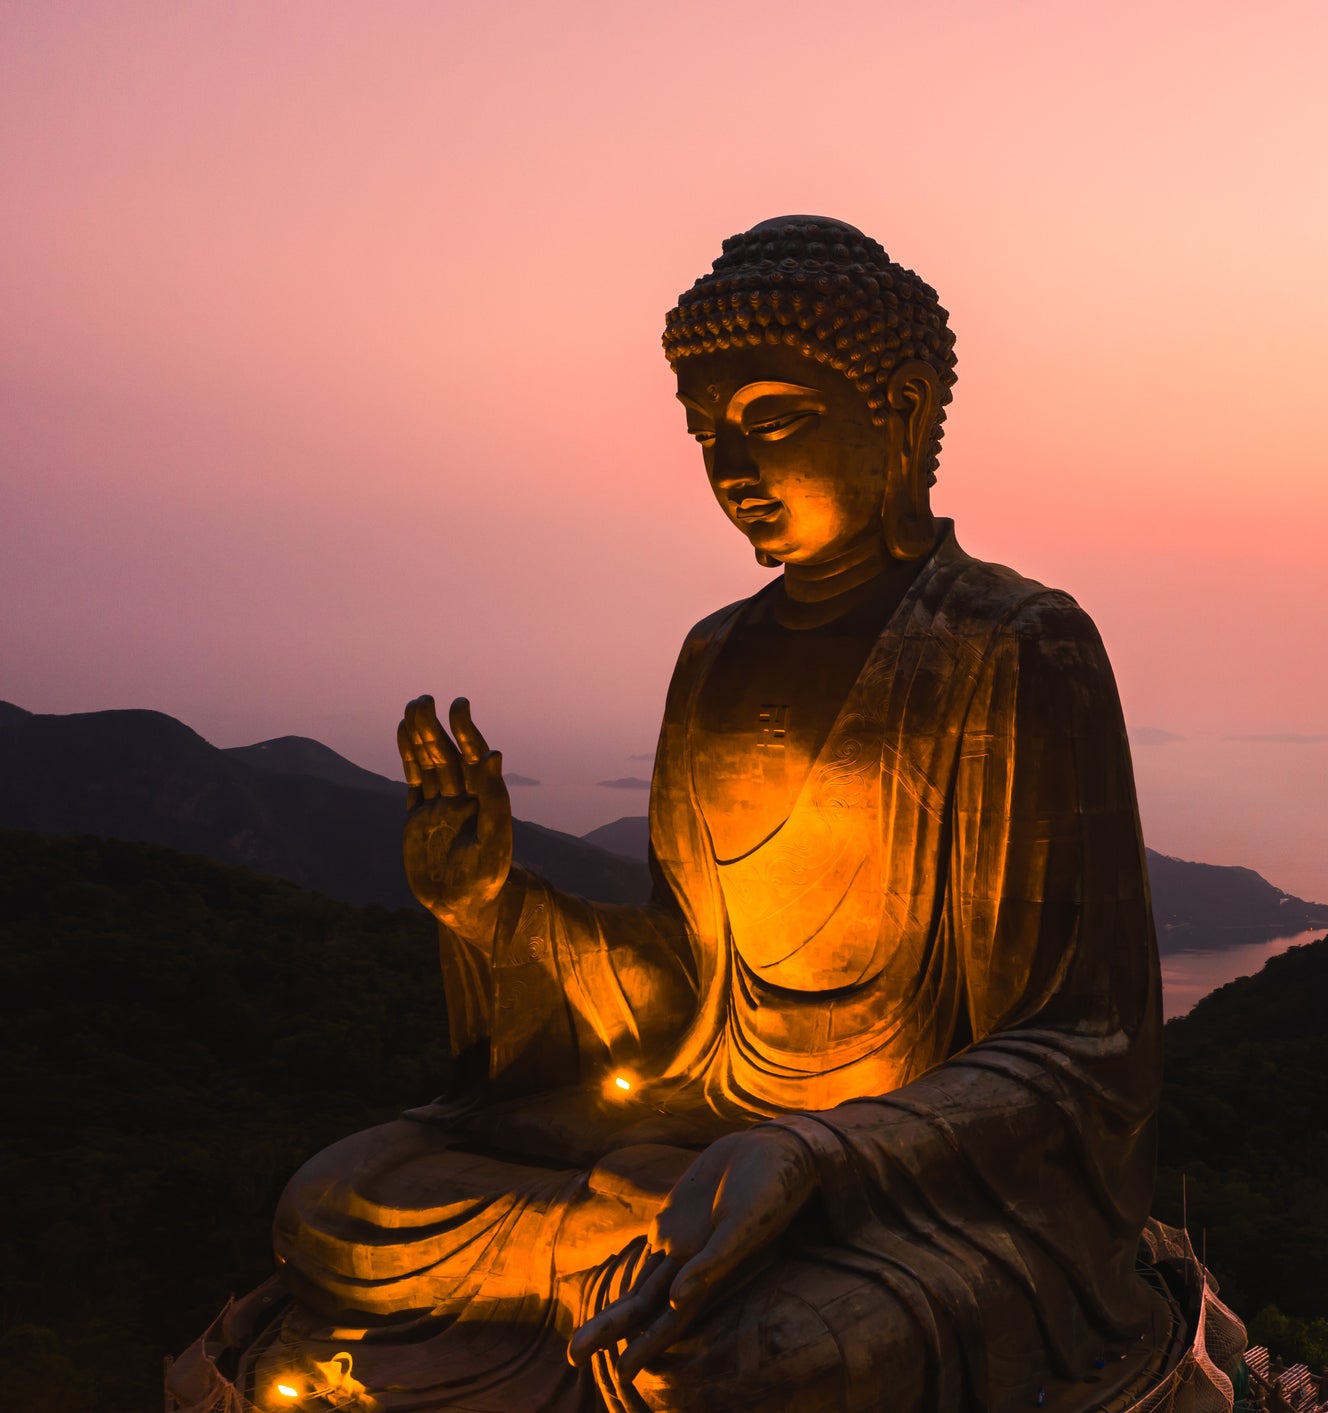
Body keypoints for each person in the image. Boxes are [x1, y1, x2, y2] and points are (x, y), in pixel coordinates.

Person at [168, 216, 1237, 1413]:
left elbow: (1080, 1046)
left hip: (913, 1187)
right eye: (706, 431)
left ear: (898, 405)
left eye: (772, 418)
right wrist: (495, 911)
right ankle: (622, 1247)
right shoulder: (714, 657)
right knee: (335, 1196)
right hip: (704, 1118)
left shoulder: (1014, 645)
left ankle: (649, 1272)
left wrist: (814, 1154)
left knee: (722, 1371)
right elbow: (690, 980)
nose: (732, 465)